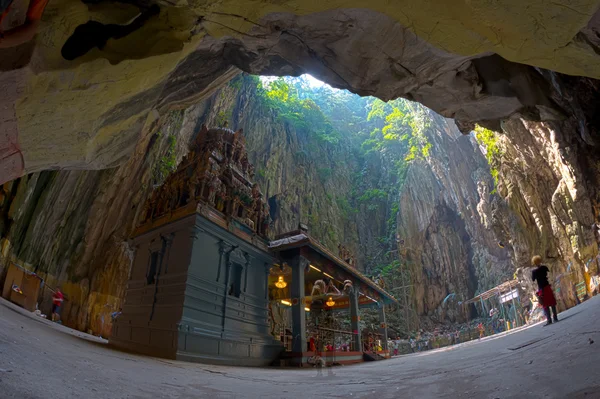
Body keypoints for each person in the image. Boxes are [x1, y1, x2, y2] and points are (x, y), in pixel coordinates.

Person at [531, 255, 559, 326]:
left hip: (541, 289)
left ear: (534, 263)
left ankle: (549, 320)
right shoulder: (544, 268)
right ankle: (555, 318)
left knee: (545, 304)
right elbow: (548, 274)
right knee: (552, 302)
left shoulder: (534, 272)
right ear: (540, 261)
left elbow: (533, 279)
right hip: (547, 287)